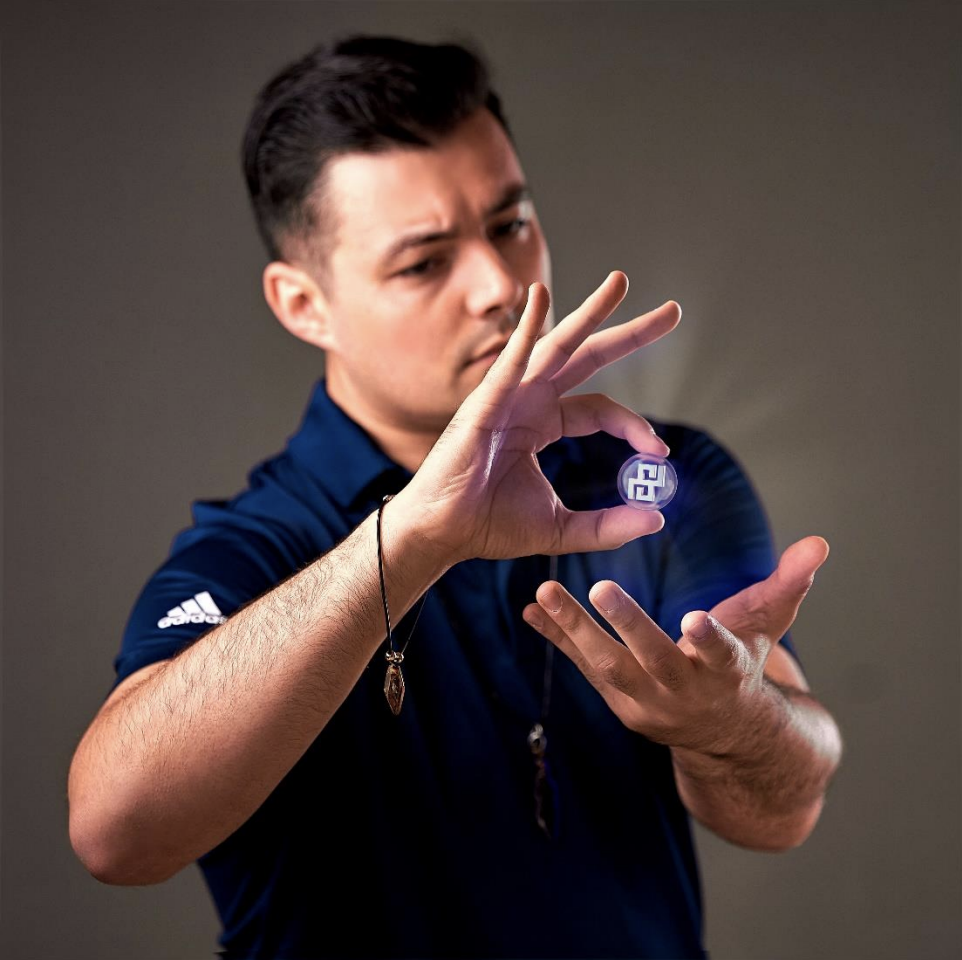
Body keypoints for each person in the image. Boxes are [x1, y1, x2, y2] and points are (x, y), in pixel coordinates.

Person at [67, 34, 842, 960]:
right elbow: (114, 836)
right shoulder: (258, 548)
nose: (500, 286)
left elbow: (781, 814)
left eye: (511, 223)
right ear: (303, 304)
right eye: (423, 263)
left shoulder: (656, 476)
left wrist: (732, 723)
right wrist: (411, 541)